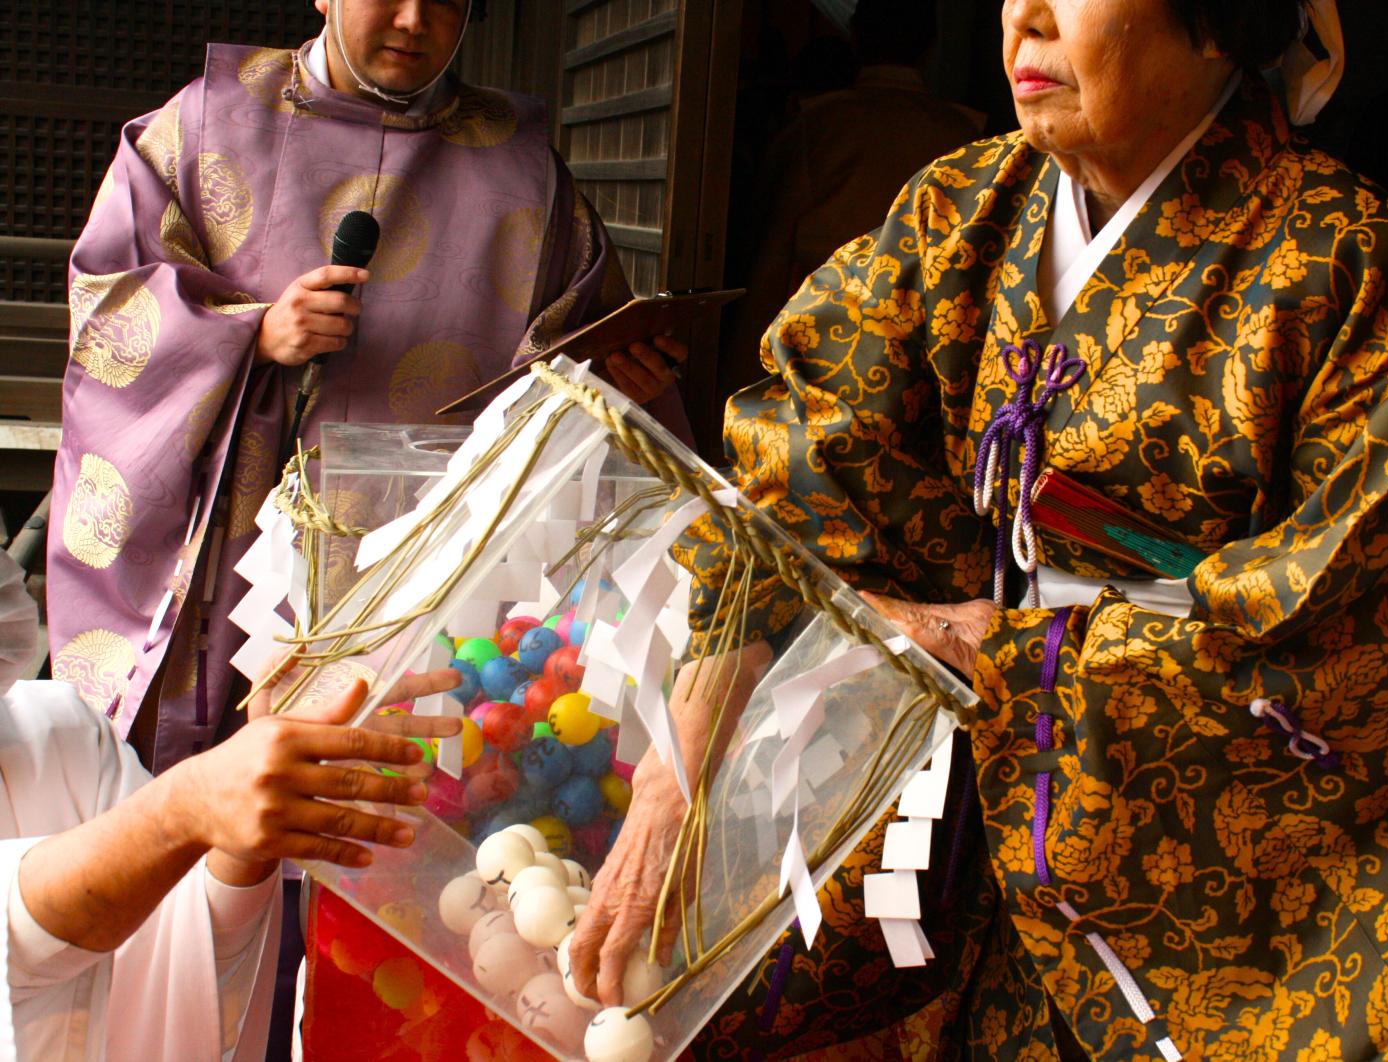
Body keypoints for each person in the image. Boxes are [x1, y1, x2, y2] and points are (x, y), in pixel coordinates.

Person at [572, 0, 1388, 1057]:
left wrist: (970, 646)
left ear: (1217, 23)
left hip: (1197, 861)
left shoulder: (1349, 266)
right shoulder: (960, 210)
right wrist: (675, 781)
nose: (1028, 17)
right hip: (972, 819)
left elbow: (1379, 639)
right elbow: (796, 468)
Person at [46, 0, 689, 776]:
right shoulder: (208, 124)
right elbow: (113, 308)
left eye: (447, 1)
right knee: (220, 807)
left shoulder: (521, 167)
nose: (414, 21)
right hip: (242, 538)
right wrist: (253, 333)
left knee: (407, 809)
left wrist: (615, 383)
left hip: (435, 550)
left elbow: (576, 340)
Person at [0, 550, 460, 1060]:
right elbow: (20, 938)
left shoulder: (57, 728)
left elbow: (169, 942)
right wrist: (188, 805)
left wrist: (245, 820)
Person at [723, 0, 985, 403]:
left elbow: (770, 249)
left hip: (822, 339)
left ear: (856, 37)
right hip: (934, 349)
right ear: (931, 46)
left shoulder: (816, 126)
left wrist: (743, 372)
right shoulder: (967, 138)